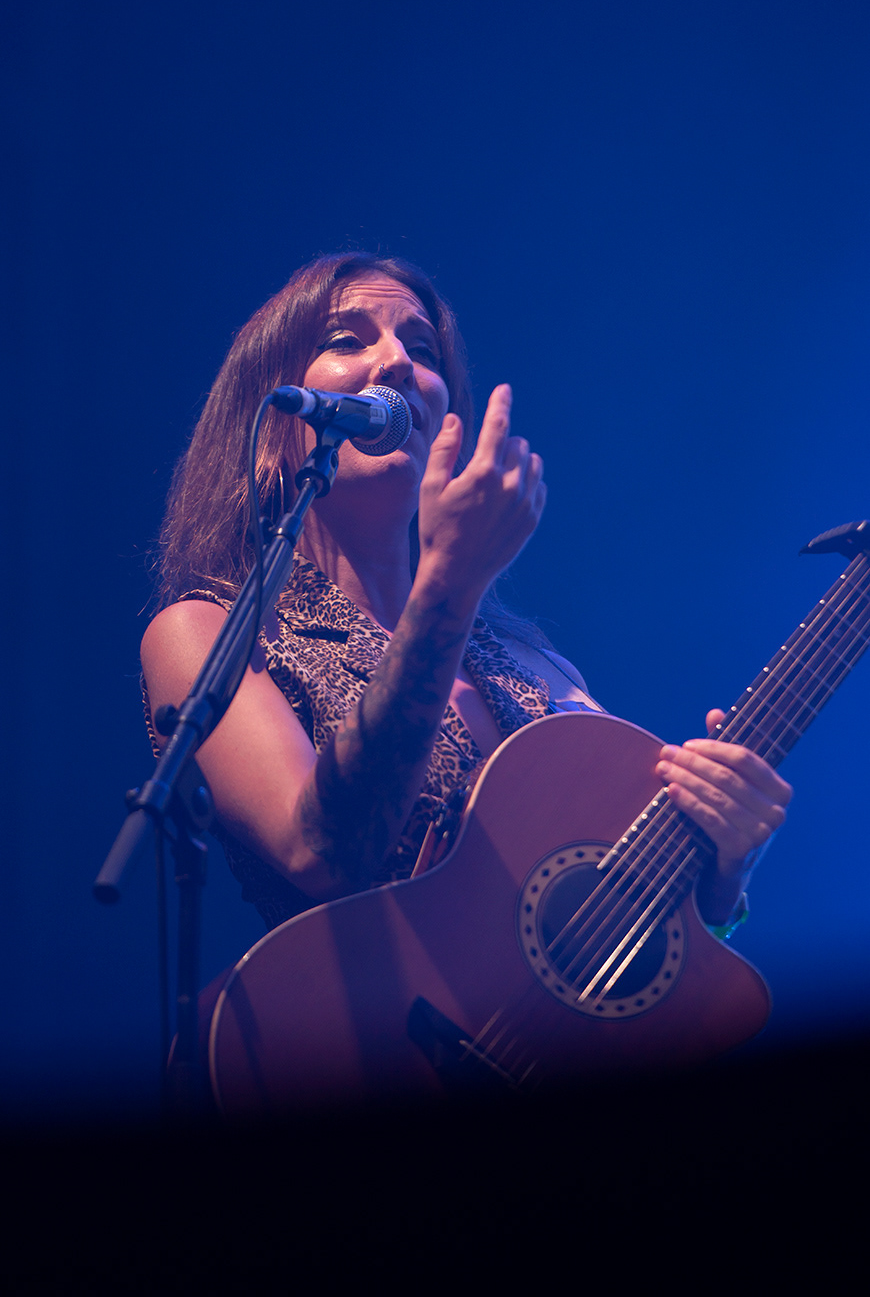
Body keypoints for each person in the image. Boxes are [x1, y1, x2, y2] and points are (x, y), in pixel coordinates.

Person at [141, 251, 791, 949]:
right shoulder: (210, 634)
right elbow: (321, 851)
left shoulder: (532, 666)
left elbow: (608, 940)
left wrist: (719, 878)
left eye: (423, 350)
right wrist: (449, 583)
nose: (398, 363)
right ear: (272, 425)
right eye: (346, 340)